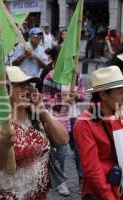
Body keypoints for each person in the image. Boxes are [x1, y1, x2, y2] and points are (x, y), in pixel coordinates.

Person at [0, 66, 69, 199]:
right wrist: (3, 147)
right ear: (4, 91)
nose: (27, 89)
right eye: (20, 85)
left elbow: (63, 140)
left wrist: (43, 112)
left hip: (39, 194)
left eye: (28, 85)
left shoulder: (36, 116)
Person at [74, 65, 123, 200]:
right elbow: (92, 170)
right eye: (120, 92)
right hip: (101, 192)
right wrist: (109, 197)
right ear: (103, 95)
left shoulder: (121, 115)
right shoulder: (84, 124)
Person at [41, 47, 86, 196]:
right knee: (62, 151)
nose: (68, 61)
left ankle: (82, 181)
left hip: (74, 116)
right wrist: (62, 100)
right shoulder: (50, 76)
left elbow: (83, 94)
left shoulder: (75, 74)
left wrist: (77, 96)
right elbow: (45, 98)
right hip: (57, 118)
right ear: (55, 59)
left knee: (79, 151)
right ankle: (61, 182)